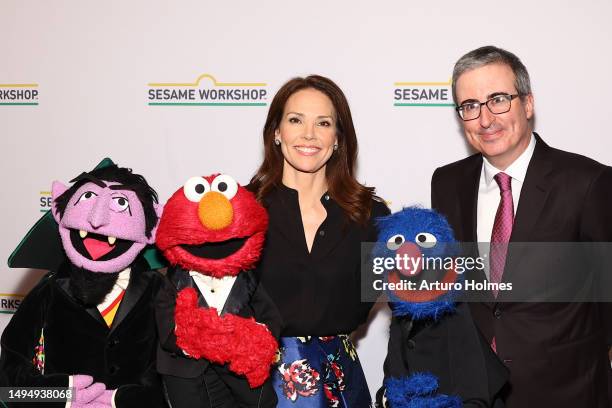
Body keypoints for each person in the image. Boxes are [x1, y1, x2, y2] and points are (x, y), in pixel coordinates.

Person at [431, 45, 612, 407]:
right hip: (476, 394)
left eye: (498, 99)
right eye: (470, 106)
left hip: (569, 393)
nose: (485, 119)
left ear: (527, 104)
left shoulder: (588, 183)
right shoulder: (446, 183)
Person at [249, 75, 389, 407]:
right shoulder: (242, 210)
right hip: (255, 389)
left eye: (323, 123)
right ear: (277, 132)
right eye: (296, 120)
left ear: (338, 138)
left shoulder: (372, 216)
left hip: (340, 387)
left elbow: (414, 305)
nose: (309, 134)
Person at [0, 163, 166, 408]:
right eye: (89, 198)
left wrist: (127, 399)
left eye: (120, 203)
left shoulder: (158, 290)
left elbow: (181, 375)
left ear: (150, 229)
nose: (97, 220)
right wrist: (61, 395)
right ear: (60, 212)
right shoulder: (51, 290)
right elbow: (9, 388)